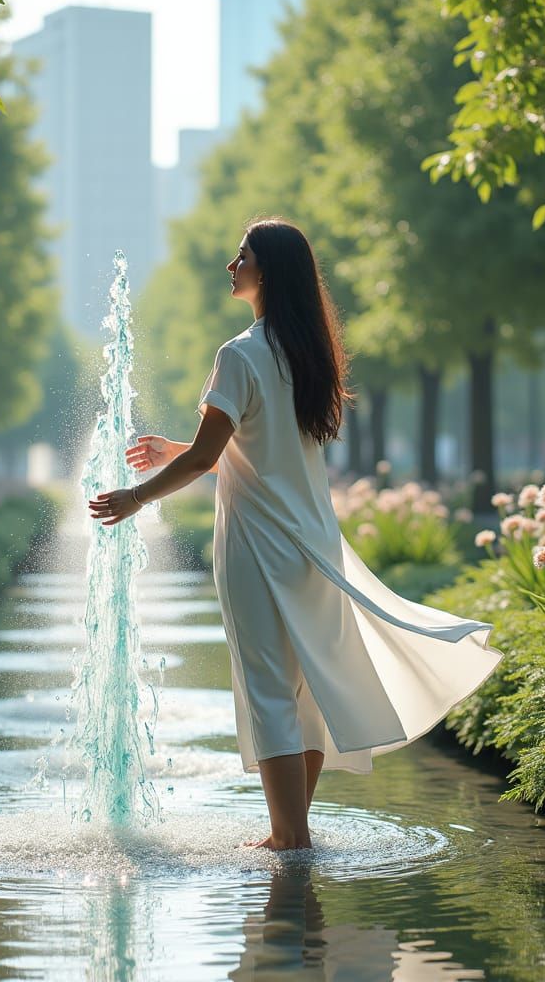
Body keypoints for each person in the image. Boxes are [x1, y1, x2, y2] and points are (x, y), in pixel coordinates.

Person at [88, 217, 503, 851]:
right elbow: (255, 448)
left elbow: (205, 459)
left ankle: (289, 839)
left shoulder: (239, 354)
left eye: (242, 256)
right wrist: (177, 446)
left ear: (268, 272)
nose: (232, 265)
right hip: (313, 545)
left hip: (257, 545)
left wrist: (133, 499)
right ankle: (294, 830)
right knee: (302, 690)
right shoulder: (306, 355)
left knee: (268, 688)